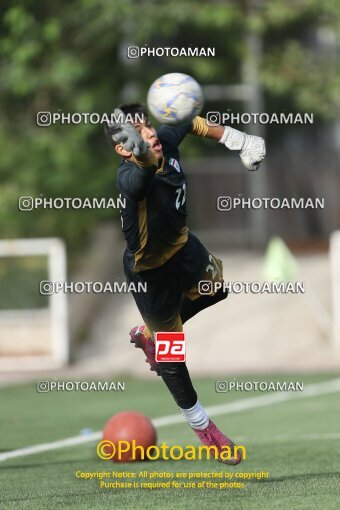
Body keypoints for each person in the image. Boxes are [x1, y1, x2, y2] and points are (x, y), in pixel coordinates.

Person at [105, 104, 265, 464]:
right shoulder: (129, 178)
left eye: (146, 126)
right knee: (173, 356)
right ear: (123, 149)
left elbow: (189, 122)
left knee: (217, 288)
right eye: (136, 134)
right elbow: (144, 170)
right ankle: (204, 428)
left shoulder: (163, 139)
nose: (148, 135)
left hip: (184, 247)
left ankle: (151, 337)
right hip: (151, 272)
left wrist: (239, 140)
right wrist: (145, 155)